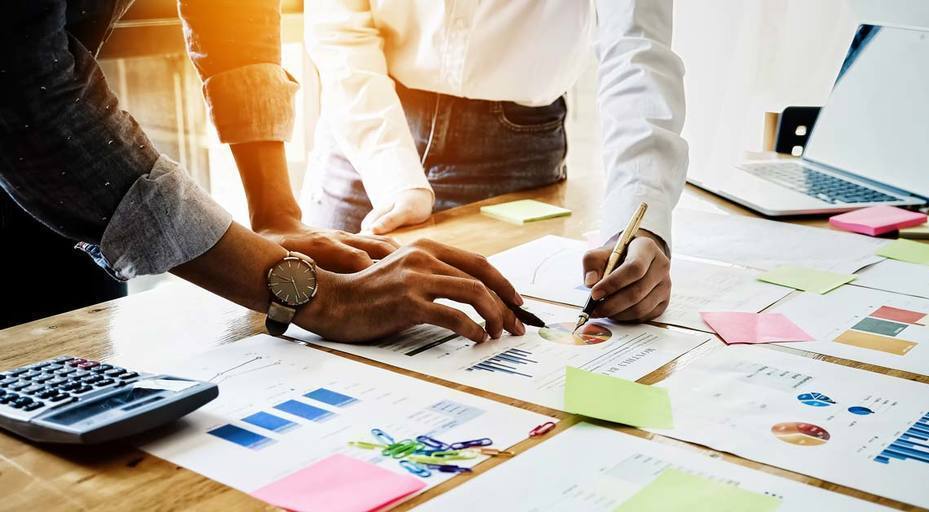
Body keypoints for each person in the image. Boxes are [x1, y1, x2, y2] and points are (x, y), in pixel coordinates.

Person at [0, 0, 523, 343]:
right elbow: (26, 94)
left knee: (76, 381)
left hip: (58, 173)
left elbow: (231, 14)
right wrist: (322, 297)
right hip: (36, 139)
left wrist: (276, 213)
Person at [300, 0, 687, 323]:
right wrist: (392, 172)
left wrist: (639, 217)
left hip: (513, 147)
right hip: (359, 124)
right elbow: (337, 23)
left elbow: (635, 45)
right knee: (315, 325)